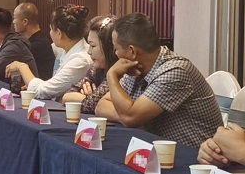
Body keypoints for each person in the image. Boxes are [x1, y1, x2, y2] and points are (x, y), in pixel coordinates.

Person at [94, 13, 221, 148]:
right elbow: (101, 106)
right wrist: (133, 117)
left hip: (195, 155)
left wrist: (112, 75)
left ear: (132, 51)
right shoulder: (135, 68)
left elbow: (129, 117)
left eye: (116, 49)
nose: (115, 54)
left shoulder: (175, 71)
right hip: (160, 150)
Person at [6, 4, 91, 100]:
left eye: (51, 29)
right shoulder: (64, 48)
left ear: (59, 33)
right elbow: (48, 85)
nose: (49, 33)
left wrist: (21, 66)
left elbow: (42, 91)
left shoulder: (80, 60)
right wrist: (32, 85)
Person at [62, 15, 117, 114]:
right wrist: (89, 98)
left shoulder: (119, 73)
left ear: (109, 47)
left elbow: (89, 105)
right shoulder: (95, 69)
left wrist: (90, 99)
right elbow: (66, 97)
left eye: (93, 46)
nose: (89, 51)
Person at [13, 2, 55, 80]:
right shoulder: (33, 41)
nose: (13, 22)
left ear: (25, 22)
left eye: (15, 18)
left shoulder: (39, 45)